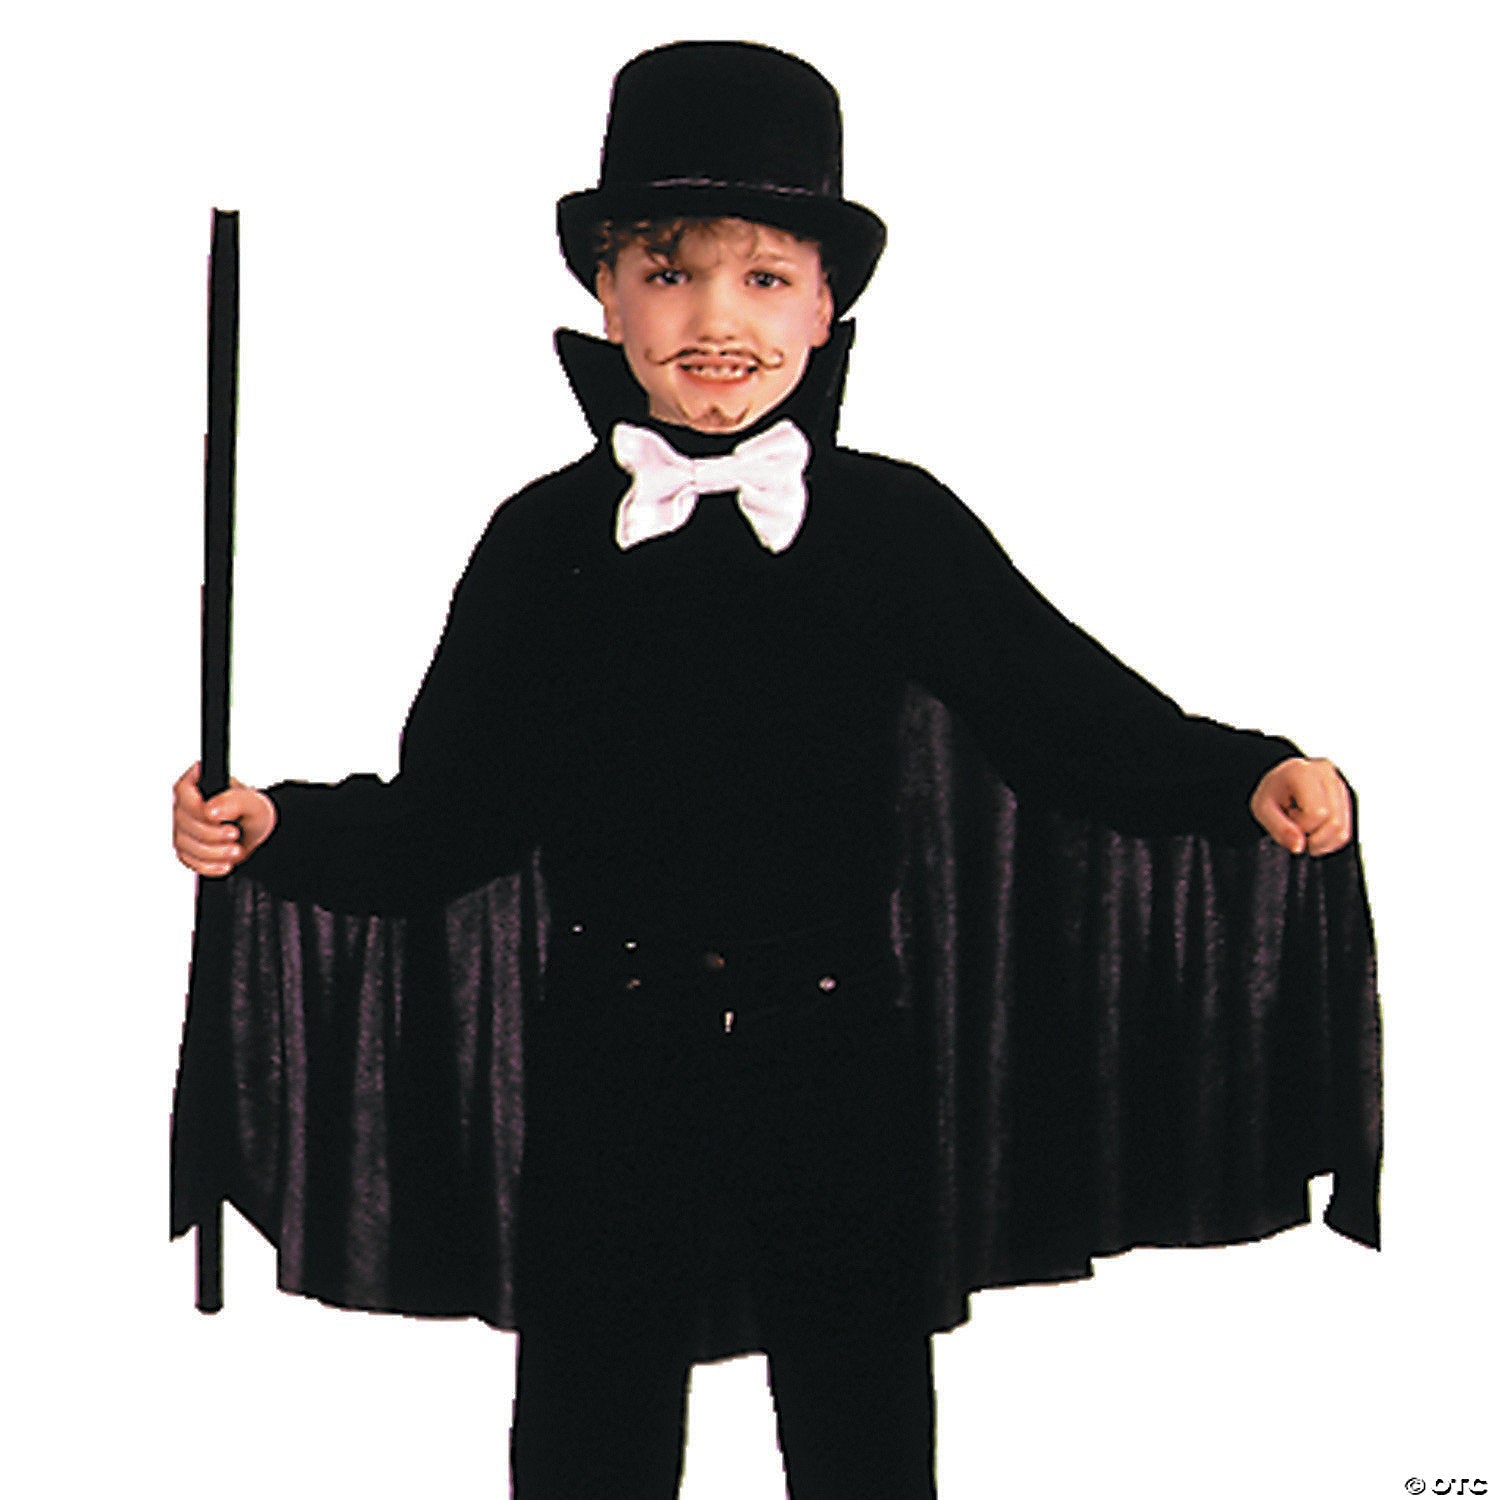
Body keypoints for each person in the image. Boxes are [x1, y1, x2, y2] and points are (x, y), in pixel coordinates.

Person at [172, 41, 1355, 1500]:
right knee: (588, 1438)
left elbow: (1070, 719)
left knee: (864, 1435)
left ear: (826, 303)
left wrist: (1247, 777)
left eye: (764, 276)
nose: (715, 319)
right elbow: (453, 816)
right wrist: (276, 827)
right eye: (669, 273)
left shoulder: (895, 527)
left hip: (840, 1054)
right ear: (606, 295)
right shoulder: (543, 543)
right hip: (611, 1058)